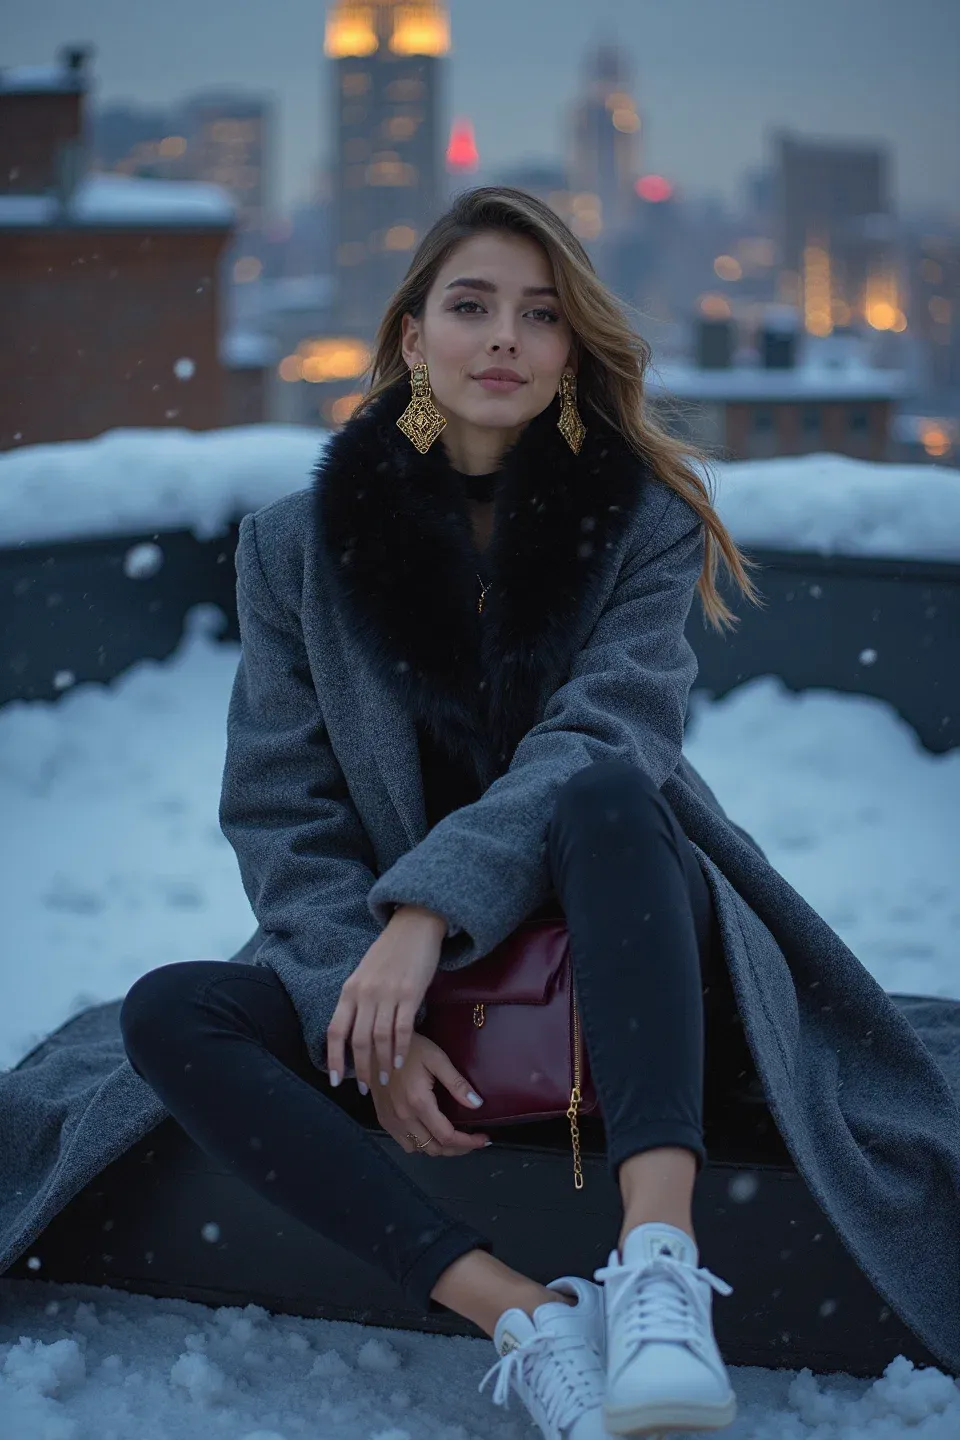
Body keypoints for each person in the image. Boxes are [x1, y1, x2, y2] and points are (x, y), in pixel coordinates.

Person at [118, 185, 788, 1438]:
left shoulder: (636, 523)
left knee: (597, 788)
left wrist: (424, 912)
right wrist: (351, 1005)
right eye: (471, 306)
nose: (504, 340)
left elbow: (609, 735)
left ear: (570, 351)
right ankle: (522, 1316)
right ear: (412, 336)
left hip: (618, 924)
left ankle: (657, 1271)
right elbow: (283, 809)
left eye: (540, 316)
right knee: (169, 1012)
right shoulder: (291, 549)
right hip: (393, 963)